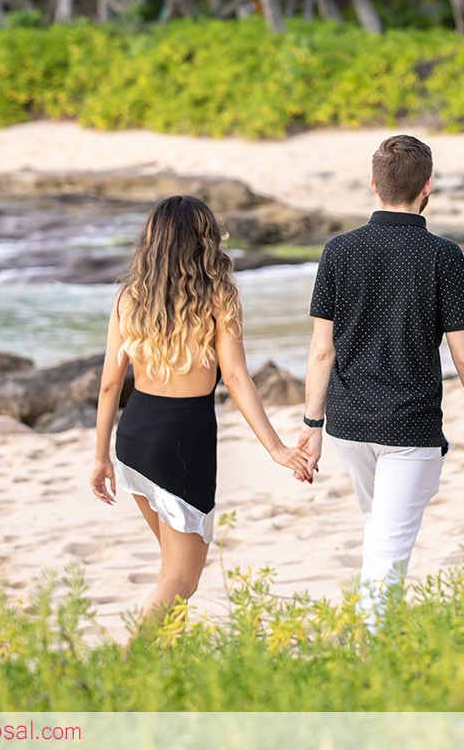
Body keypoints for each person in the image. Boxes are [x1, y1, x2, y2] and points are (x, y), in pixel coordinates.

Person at [299, 134, 464, 626]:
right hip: (409, 426)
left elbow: (322, 348)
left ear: (373, 185)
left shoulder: (338, 250)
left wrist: (312, 423)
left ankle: (383, 632)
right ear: (427, 186)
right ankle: (373, 648)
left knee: (382, 534)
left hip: (349, 425)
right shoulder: (442, 254)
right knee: (387, 544)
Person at [90, 195, 310, 626]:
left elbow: (110, 385)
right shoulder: (218, 297)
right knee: (181, 578)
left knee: (172, 567)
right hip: (182, 443)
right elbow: (236, 377)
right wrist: (276, 448)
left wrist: (100, 458)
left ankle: (163, 665)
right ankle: (130, 664)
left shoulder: (128, 299)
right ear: (203, 241)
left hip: (133, 439)